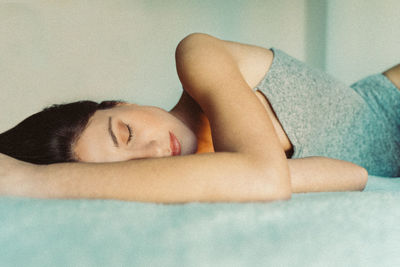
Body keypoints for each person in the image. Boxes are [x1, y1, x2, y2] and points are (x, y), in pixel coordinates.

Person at [0, 33, 399, 203]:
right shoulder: (213, 175)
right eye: (132, 170)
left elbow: (265, 178)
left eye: (126, 132)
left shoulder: (196, 56)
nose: (155, 153)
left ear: (119, 103)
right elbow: (353, 174)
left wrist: (30, 179)